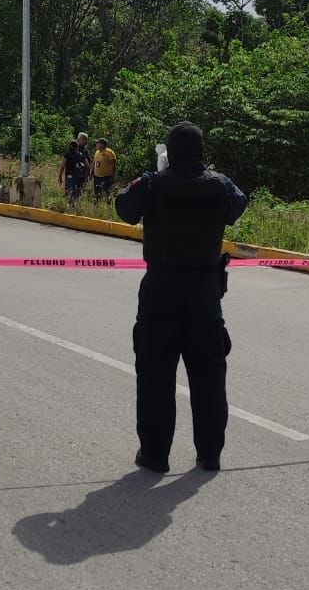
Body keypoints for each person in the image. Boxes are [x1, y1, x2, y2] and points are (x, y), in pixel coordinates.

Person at [115, 122, 247, 473]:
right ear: (201, 151)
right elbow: (238, 206)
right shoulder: (220, 185)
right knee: (209, 376)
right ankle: (210, 453)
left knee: (155, 375)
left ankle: (155, 454)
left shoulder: (152, 184)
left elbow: (124, 209)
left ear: (169, 152)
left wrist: (155, 176)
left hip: (161, 290)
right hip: (204, 293)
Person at [59, 133, 91, 207]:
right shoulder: (82, 154)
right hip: (80, 175)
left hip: (72, 175)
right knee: (77, 192)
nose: (85, 142)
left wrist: (60, 175)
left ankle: (70, 206)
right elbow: (88, 165)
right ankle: (74, 206)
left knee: (71, 191)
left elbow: (63, 165)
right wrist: (87, 176)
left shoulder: (68, 153)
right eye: (84, 140)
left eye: (86, 140)